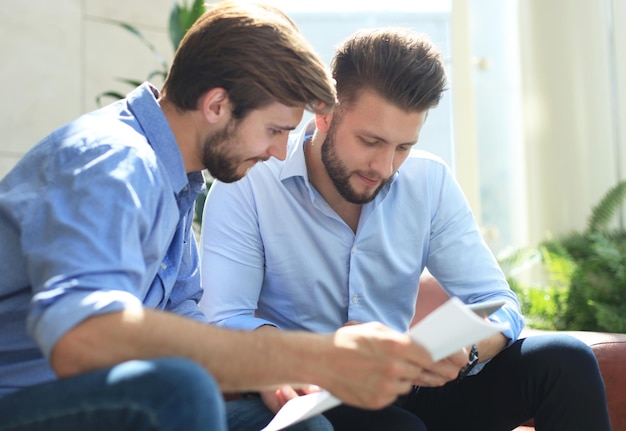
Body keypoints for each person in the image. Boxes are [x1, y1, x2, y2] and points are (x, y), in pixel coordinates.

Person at [0, 4, 437, 430]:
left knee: (300, 425)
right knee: (181, 390)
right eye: (274, 130)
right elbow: (83, 337)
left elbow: (180, 316)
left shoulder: (175, 182)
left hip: (102, 404)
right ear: (216, 106)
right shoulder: (114, 163)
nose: (279, 153)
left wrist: (261, 375)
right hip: (22, 401)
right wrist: (314, 355)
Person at [200, 27, 612, 431]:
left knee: (565, 360)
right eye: (370, 141)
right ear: (323, 111)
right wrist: (322, 353)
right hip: (316, 395)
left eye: (403, 147)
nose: (384, 167)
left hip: (408, 386)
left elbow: (496, 302)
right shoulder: (250, 185)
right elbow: (225, 319)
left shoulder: (428, 182)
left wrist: (466, 349)